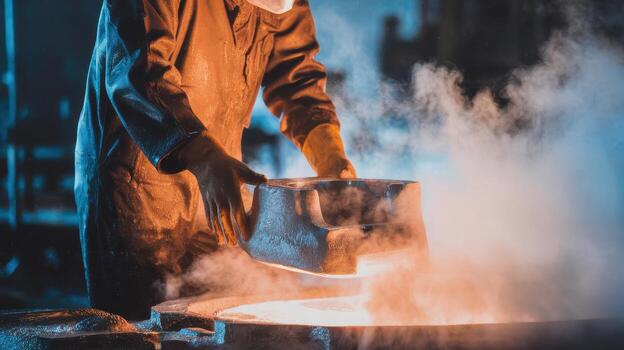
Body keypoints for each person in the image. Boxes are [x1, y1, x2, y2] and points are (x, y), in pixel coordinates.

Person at [74, 0, 356, 320]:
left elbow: (297, 83)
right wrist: (204, 155)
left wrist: (333, 163)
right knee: (147, 324)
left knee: (232, 313)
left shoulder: (282, 4)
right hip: (138, 186)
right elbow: (141, 74)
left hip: (220, 178)